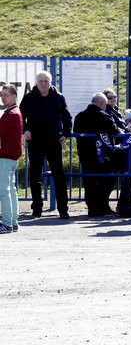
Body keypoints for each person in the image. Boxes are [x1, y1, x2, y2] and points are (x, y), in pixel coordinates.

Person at [19, 71, 72, 219]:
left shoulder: (59, 97)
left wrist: (66, 133)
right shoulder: (29, 98)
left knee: (59, 175)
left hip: (53, 140)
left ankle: (63, 209)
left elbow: (67, 117)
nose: (43, 83)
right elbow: (20, 117)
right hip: (35, 140)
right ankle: (37, 209)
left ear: (50, 82)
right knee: (35, 175)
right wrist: (25, 130)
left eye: (46, 81)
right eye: (41, 81)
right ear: (36, 82)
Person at [73, 93, 124, 217]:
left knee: (89, 181)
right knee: (108, 179)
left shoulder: (80, 116)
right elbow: (115, 131)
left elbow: (76, 131)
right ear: (101, 103)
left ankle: (92, 209)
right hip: (103, 155)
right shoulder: (104, 115)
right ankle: (102, 206)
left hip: (85, 154)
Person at [0, 84, 23, 233]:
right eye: (2, 95)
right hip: (11, 156)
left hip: (5, 156)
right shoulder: (14, 111)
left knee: (4, 190)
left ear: (14, 96)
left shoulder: (11, 114)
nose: (3, 97)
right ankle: (13, 221)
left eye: (6, 95)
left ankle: (7, 223)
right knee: (11, 189)